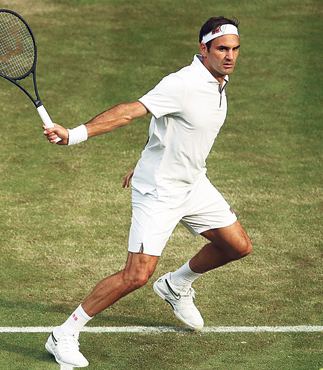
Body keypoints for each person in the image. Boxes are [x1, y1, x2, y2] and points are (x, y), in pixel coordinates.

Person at [42, 16, 252, 367]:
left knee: (237, 246)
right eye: (221, 49)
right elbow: (130, 112)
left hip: (193, 183)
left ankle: (176, 285)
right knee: (136, 275)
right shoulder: (182, 83)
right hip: (159, 191)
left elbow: (168, 125)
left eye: (234, 49)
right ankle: (63, 334)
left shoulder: (219, 80)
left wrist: (146, 156)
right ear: (204, 49)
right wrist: (74, 134)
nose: (229, 56)